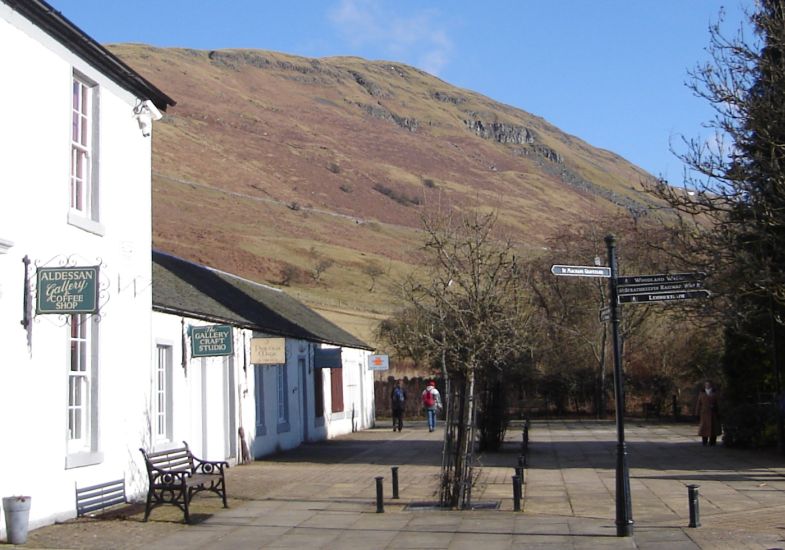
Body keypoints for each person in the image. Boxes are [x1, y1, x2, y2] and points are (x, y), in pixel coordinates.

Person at [695, 381, 721, 446]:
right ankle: (704, 441)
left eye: (709, 384)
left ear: (711, 385)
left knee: (714, 428)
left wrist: (718, 410)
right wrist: (697, 413)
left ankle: (712, 441)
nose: (707, 386)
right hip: (704, 413)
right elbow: (698, 403)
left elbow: (719, 403)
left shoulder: (715, 393)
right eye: (706, 384)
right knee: (704, 428)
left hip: (713, 413)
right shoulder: (702, 393)